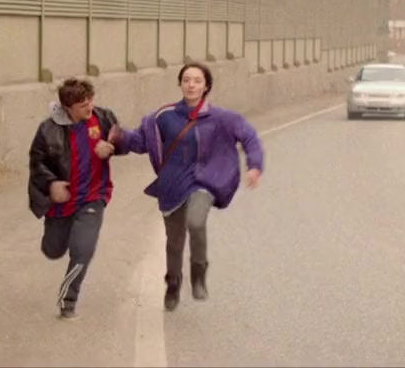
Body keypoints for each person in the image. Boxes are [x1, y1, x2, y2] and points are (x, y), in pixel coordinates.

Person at [110, 62, 264, 311]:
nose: (191, 85)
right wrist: (118, 138)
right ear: (180, 84)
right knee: (174, 241)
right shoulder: (164, 116)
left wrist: (254, 165)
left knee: (196, 221)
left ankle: (198, 273)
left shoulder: (223, 118)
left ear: (206, 86)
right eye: (186, 80)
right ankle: (173, 283)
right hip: (172, 184)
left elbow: (249, 137)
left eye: (197, 81)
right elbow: (141, 141)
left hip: (205, 181)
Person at [27, 77, 124, 320]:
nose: (89, 106)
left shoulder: (103, 117)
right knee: (53, 250)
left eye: (90, 100)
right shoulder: (48, 129)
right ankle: (61, 236)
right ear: (67, 107)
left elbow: (123, 139)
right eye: (82, 104)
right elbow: (37, 163)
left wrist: (112, 147)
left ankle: (68, 300)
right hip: (62, 203)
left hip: (94, 196)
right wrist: (51, 184)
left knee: (83, 249)